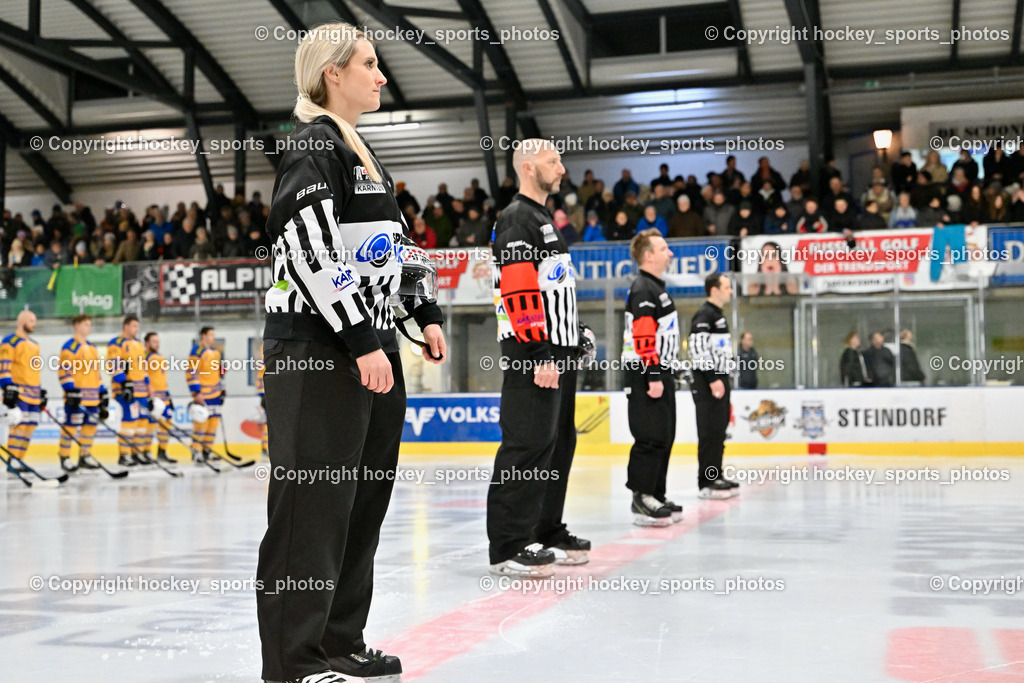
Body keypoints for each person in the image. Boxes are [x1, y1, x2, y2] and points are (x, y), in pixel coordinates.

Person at [256, 23, 446, 683]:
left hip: (371, 350)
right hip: (317, 351)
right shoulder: (313, 147)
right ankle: (293, 661)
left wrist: (422, 312)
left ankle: (338, 639)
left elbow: (388, 248)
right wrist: (362, 339)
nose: (381, 75)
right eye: (369, 63)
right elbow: (309, 252)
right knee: (312, 507)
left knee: (359, 503)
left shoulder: (363, 153)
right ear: (331, 73)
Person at [489, 138, 588, 578]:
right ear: (528, 167)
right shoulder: (517, 219)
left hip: (558, 354)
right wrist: (539, 353)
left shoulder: (545, 219)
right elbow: (519, 292)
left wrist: (575, 335)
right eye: (553, 160)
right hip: (535, 357)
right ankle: (509, 545)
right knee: (526, 448)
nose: (561, 168)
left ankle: (546, 529)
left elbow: (554, 291)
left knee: (557, 446)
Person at [622, 229, 682, 526]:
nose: (670, 253)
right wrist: (653, 373)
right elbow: (643, 334)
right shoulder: (644, 288)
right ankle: (642, 496)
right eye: (663, 248)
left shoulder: (656, 287)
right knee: (650, 436)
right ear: (648, 256)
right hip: (645, 372)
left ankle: (656, 492)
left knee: (665, 434)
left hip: (660, 370)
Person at [687, 273, 740, 499]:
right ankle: (706, 482)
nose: (730, 291)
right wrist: (712, 378)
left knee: (719, 431)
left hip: (720, 377)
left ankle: (715, 474)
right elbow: (698, 349)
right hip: (708, 380)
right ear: (714, 289)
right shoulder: (704, 314)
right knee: (709, 431)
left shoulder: (718, 315)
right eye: (727, 287)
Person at [56, 315, 106, 472]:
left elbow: (96, 373)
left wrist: (103, 392)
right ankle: (64, 457)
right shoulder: (70, 346)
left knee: (90, 428)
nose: (88, 327)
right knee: (70, 427)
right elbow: (64, 370)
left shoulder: (92, 347)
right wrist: (70, 390)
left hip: (92, 398)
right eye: (85, 324)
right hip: (77, 397)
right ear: (76, 326)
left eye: (90, 324)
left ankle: (85, 456)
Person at [0, 311, 44, 468]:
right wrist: (7, 384)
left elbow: (35, 370)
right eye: (31, 320)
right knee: (19, 426)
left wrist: (40, 390)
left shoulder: (35, 344)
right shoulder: (10, 341)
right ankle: (13, 459)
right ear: (22, 321)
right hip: (19, 392)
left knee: (30, 427)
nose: (34, 324)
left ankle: (20, 459)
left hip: (34, 393)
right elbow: (4, 365)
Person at [107, 315, 151, 467]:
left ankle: (136, 453)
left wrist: (148, 385)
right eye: (133, 326)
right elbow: (113, 365)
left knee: (142, 423)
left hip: (142, 392)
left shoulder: (138, 344)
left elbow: (143, 367)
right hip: (127, 390)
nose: (136, 330)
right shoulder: (116, 343)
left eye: (137, 327)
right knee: (129, 423)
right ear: (125, 326)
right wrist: (124, 382)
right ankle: (124, 455)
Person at [185, 326, 223, 461]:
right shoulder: (197, 351)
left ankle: (207, 451)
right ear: (203, 336)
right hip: (203, 395)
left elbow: (218, 374)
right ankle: (195, 451)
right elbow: (191, 372)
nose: (213, 337)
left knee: (213, 425)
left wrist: (221, 390)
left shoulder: (216, 352)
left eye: (214, 334)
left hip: (215, 395)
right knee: (201, 425)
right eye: (211, 335)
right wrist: (196, 392)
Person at [144, 332, 176, 464]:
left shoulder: (160, 357)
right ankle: (146, 452)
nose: (157, 344)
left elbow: (162, 378)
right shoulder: (145, 357)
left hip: (164, 396)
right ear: (147, 343)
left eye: (158, 341)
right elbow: (143, 376)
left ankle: (162, 452)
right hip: (152, 396)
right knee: (150, 425)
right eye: (154, 341)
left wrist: (168, 395)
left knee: (167, 424)